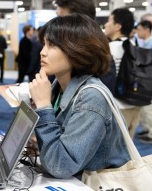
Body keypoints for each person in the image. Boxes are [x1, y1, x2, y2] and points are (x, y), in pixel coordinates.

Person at [29, 14, 130, 179]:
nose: (43, 52)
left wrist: (43, 107)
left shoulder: (91, 97)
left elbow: (61, 165)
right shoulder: (56, 87)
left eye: (52, 45)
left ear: (77, 49)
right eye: (44, 44)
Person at [54, 0, 116, 93]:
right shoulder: (65, 52)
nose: (56, 24)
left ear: (80, 21)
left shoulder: (98, 58)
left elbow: (97, 103)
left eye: (62, 19)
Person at [104, 7, 139, 138]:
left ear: (118, 26)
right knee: (129, 147)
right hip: (136, 102)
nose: (106, 25)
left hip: (117, 106)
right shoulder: (135, 46)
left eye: (109, 21)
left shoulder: (108, 48)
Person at [135, 20, 152, 144]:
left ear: (146, 29)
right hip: (146, 79)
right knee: (144, 106)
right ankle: (147, 129)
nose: (137, 32)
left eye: (139, 29)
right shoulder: (146, 43)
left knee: (149, 106)